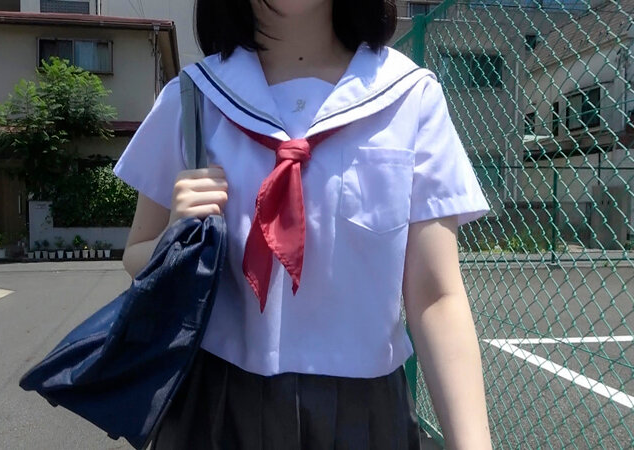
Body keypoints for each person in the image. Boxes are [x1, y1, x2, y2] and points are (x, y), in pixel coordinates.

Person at [114, 0, 493, 448]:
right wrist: (175, 237)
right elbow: (136, 254)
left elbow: (435, 296)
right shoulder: (192, 99)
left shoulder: (409, 97)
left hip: (366, 416)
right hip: (214, 407)